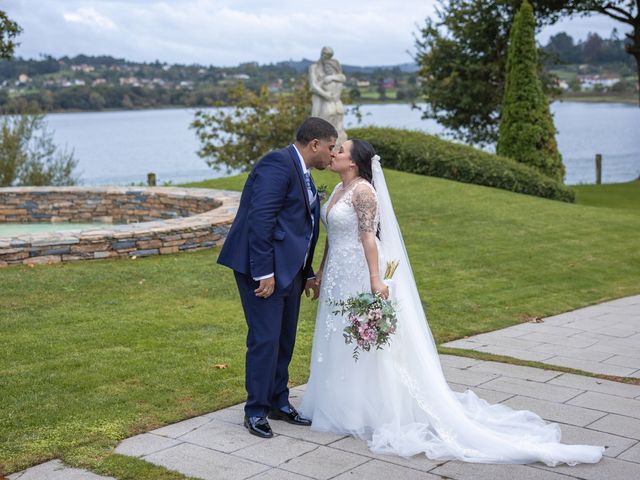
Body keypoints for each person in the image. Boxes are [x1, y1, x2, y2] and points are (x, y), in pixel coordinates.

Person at [299, 139, 604, 466]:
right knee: (340, 339)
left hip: (361, 271)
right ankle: (345, 404)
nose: (334, 154)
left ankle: (374, 408)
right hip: (337, 276)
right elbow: (332, 237)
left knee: (368, 341)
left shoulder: (363, 192)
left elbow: (368, 238)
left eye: (341, 151)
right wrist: (319, 272)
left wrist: (376, 279)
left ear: (355, 163)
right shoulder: (335, 191)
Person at [217, 117, 337, 438]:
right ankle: (255, 409)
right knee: (265, 339)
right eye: (330, 147)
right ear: (314, 144)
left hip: (291, 272)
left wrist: (307, 271)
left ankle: (278, 401)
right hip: (264, 270)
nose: (332, 154)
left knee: (284, 339)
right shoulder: (277, 163)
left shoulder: (305, 173)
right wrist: (264, 272)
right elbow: (261, 220)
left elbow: (300, 227)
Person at [309, 46, 347, 144]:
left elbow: (342, 77)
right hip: (321, 99)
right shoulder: (314, 67)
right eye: (326, 55)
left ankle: (336, 139)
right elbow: (313, 86)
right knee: (322, 121)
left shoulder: (332, 64)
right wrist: (326, 95)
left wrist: (331, 77)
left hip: (334, 100)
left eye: (330, 56)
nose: (327, 58)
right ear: (322, 54)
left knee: (338, 118)